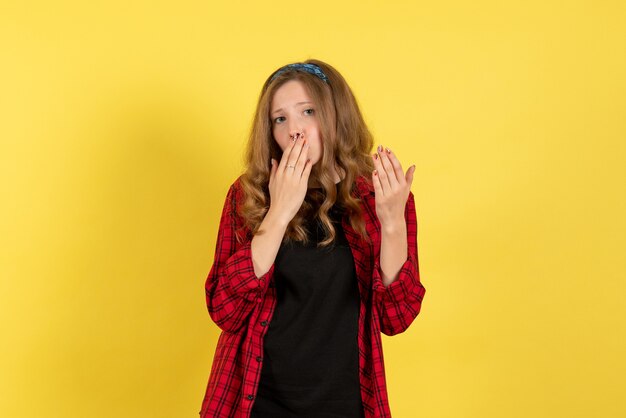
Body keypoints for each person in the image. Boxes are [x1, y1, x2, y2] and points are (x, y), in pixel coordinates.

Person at [199, 59, 426, 418]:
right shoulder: (249, 195)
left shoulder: (378, 193)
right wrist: (278, 212)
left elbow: (395, 318)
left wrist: (392, 222)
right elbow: (224, 311)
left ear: (337, 115)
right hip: (256, 402)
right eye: (280, 118)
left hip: (346, 404)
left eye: (308, 111)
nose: (295, 130)